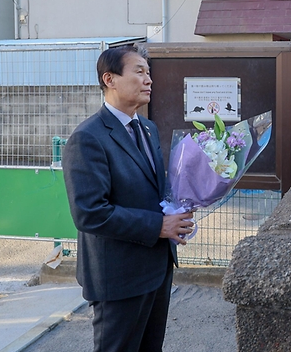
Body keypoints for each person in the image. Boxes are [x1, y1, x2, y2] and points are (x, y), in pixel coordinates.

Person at [63, 45, 194, 352]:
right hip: (118, 276)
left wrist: (180, 206)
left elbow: (151, 190)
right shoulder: (88, 138)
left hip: (157, 268)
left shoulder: (147, 128)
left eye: (148, 72)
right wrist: (159, 226)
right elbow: (90, 212)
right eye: (139, 72)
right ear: (109, 79)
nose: (148, 80)